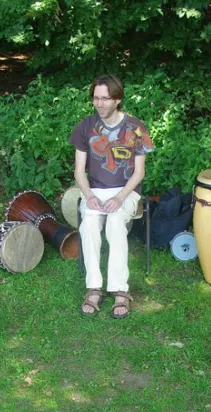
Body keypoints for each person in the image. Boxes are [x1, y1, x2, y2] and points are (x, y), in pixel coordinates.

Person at [70, 74, 154, 319]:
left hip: (126, 191)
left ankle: (120, 290)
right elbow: (79, 170)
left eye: (105, 98)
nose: (100, 104)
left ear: (117, 99)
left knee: (116, 223)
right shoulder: (86, 126)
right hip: (95, 190)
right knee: (89, 224)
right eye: (96, 98)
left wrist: (119, 198)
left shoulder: (136, 128)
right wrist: (88, 195)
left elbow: (139, 173)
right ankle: (94, 287)